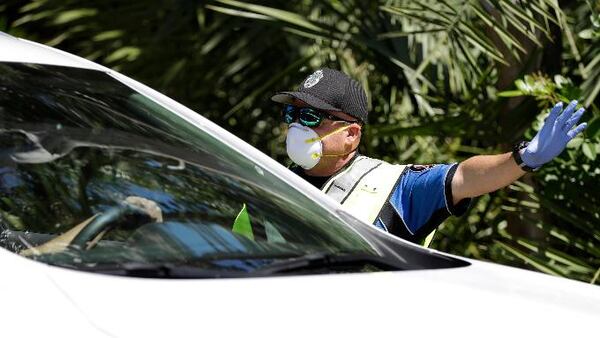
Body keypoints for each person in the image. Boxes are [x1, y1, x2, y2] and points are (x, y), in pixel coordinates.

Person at [271, 68, 587, 246]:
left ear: (351, 133)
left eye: (312, 116)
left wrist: (524, 158)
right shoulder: (267, 179)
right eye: (292, 113)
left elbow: (463, 177)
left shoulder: (394, 185)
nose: (296, 124)